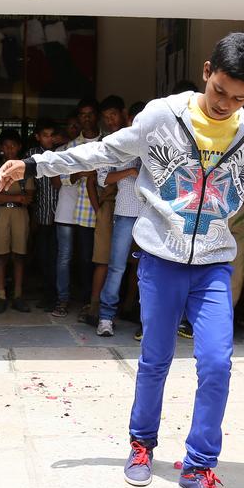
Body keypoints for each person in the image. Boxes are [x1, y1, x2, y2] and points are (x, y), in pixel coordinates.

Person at [0, 33, 244, 488]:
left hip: (213, 265)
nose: (225, 104)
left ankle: (199, 468)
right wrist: (34, 164)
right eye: (220, 90)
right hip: (160, 259)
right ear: (207, 71)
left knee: (217, 363)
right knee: (156, 359)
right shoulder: (160, 117)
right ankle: (141, 444)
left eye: (239, 98)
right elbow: (104, 152)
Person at [95, 99, 142, 337]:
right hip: (125, 211)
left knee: (150, 269)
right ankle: (106, 317)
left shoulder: (157, 144)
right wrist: (131, 171)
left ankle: (147, 320)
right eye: (136, 121)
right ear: (128, 119)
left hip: (151, 214)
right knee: (117, 266)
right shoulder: (116, 143)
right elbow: (103, 178)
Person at [51, 99, 101, 318]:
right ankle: (62, 299)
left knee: (87, 258)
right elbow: (58, 180)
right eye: (82, 114)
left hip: (91, 210)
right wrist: (81, 173)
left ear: (96, 115)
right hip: (67, 209)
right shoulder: (69, 147)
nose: (86, 118)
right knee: (64, 258)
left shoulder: (107, 143)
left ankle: (86, 301)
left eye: (90, 114)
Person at [87, 95, 131, 327]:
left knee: (137, 262)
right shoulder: (107, 143)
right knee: (105, 260)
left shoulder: (141, 140)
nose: (110, 120)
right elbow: (96, 179)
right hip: (111, 205)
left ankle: (130, 306)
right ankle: (96, 308)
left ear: (124, 113)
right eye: (105, 117)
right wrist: (99, 209)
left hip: (136, 206)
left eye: (113, 115)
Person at [0, 129, 34, 313]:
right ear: (1, 148)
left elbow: (28, 197)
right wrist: (17, 198)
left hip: (20, 216)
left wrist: (5, 197)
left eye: (13, 146)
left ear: (19, 147)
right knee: (0, 256)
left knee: (19, 256)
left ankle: (18, 295)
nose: (9, 149)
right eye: (6, 146)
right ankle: (1, 295)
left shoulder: (26, 169)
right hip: (1, 215)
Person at [28, 119, 60, 312]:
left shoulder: (62, 153)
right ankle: (46, 293)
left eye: (51, 135)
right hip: (40, 215)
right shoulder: (32, 155)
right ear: (37, 137)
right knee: (42, 256)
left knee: (57, 257)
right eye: (45, 135)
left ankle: (55, 296)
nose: (49, 139)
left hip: (60, 215)